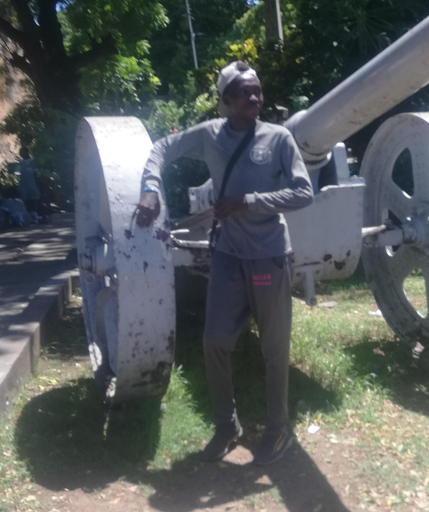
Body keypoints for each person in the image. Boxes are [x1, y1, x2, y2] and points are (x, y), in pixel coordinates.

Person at [135, 61, 313, 465]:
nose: (255, 98)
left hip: (268, 255)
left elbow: (304, 193)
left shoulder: (279, 138)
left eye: (258, 91)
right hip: (229, 256)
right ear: (226, 102)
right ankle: (225, 425)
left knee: (273, 348)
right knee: (215, 341)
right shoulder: (211, 136)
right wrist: (150, 188)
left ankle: (277, 427)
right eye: (245, 93)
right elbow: (161, 148)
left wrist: (250, 202)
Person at [18, 146, 42, 223]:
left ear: (26, 152)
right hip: (23, 184)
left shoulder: (32, 161)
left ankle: (34, 215)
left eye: (21, 152)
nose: (20, 154)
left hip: (32, 183)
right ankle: (27, 216)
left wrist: (37, 184)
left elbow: (35, 173)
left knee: (34, 199)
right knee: (25, 200)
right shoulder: (21, 162)